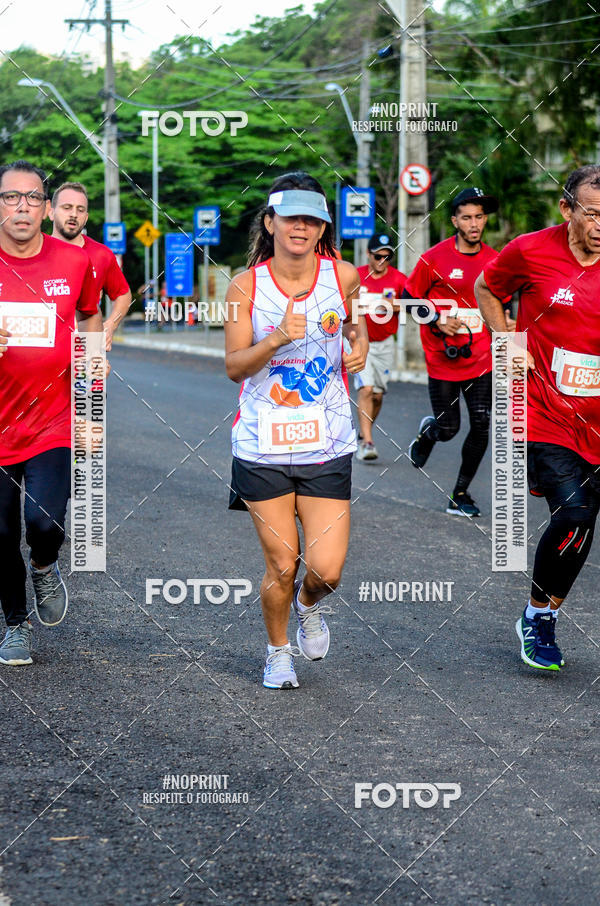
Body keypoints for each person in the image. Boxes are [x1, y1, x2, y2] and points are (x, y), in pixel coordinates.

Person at [224, 171, 368, 690]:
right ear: (270, 223)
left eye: (312, 220)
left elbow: (354, 323)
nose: (301, 228)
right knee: (282, 563)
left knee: (326, 571)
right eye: (291, 219)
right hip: (263, 442)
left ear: (322, 227)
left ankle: (310, 606)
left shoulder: (343, 276)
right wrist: (278, 337)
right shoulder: (246, 287)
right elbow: (235, 366)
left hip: (327, 438)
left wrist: (360, 343)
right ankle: (277, 651)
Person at [475, 165, 600, 672]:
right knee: (573, 512)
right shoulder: (530, 250)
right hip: (542, 407)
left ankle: (547, 608)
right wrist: (507, 338)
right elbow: (487, 288)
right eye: (592, 213)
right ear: (567, 209)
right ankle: (538, 617)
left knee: (584, 520)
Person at [0, 160, 102, 666]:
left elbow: (89, 317)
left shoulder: (72, 262)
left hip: (53, 420)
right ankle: (14, 625)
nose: (22, 206)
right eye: (10, 197)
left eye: (32, 198)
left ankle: (44, 564)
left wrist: (93, 397)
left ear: (46, 207)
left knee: (42, 521)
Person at [404, 186, 514, 516]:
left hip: (480, 356)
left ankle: (460, 494)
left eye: (479, 217)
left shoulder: (496, 260)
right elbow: (409, 300)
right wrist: (436, 318)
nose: (474, 223)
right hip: (442, 358)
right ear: (455, 221)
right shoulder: (434, 258)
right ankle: (429, 434)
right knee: (449, 429)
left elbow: (504, 306)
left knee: (482, 424)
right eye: (466, 217)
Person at [49, 181, 131, 349]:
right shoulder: (34, 250)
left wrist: (110, 325)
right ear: (50, 212)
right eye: (66, 207)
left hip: (87, 347)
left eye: (80, 210)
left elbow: (123, 294)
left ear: (86, 218)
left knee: (94, 374)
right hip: (43, 347)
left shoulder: (101, 254)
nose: (73, 214)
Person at [354, 234, 406, 461]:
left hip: (385, 344)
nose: (383, 261)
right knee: (365, 389)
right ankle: (367, 442)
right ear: (368, 255)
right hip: (359, 342)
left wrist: (393, 305)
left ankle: (364, 431)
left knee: (377, 395)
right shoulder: (355, 276)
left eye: (387, 257)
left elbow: (414, 303)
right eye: (378, 256)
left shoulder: (399, 279)